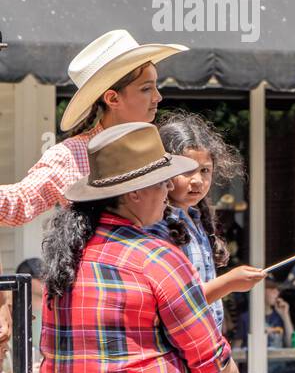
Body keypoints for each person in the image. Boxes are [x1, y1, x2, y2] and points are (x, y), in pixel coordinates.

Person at [38, 123, 275, 373]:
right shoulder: (156, 257)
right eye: (162, 182)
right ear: (134, 193)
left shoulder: (68, 256)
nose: (168, 191)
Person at [0, 30, 186, 227]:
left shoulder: (156, 147)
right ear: (113, 98)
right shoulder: (69, 156)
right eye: (146, 88)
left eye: (155, 87)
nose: (158, 97)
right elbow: (20, 202)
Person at [148, 112, 264, 337]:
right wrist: (228, 284)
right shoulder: (157, 224)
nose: (198, 181)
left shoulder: (196, 218)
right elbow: (175, 304)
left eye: (205, 170)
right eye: (186, 170)